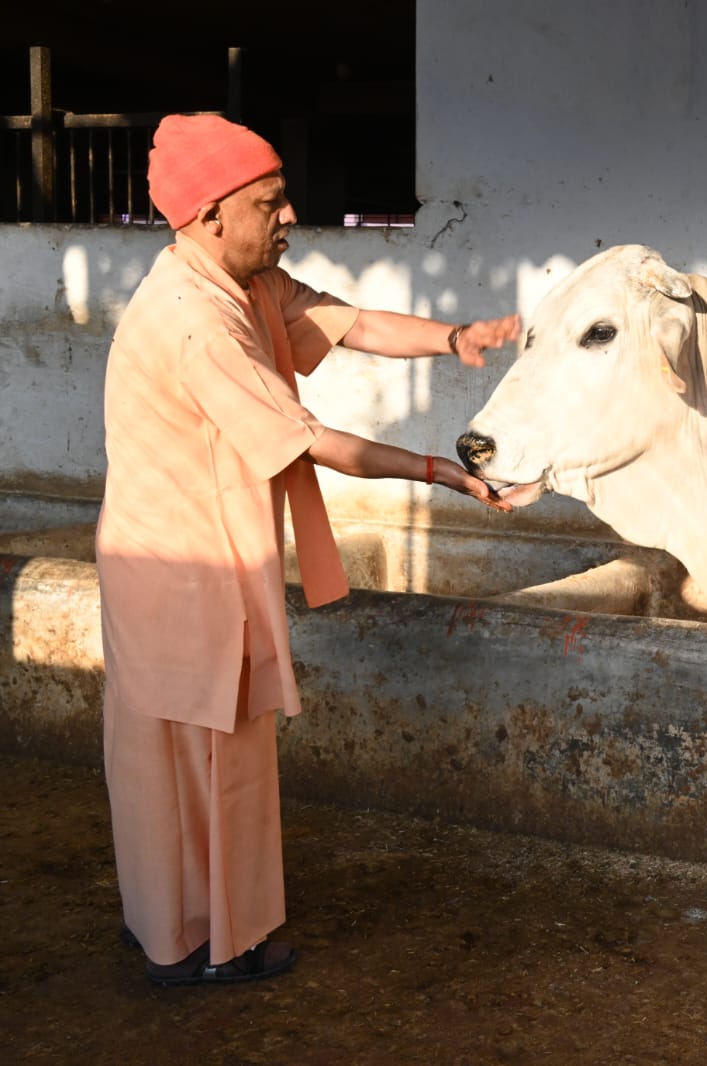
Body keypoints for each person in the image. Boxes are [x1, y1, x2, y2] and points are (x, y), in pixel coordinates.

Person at [95, 113, 519, 986]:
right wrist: (436, 470)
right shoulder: (194, 320)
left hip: (194, 559)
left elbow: (345, 321)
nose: (289, 216)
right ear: (212, 213)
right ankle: (198, 946)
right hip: (180, 570)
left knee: (197, 756)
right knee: (192, 760)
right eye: (271, 202)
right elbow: (311, 438)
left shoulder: (238, 282)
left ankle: (190, 930)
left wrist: (455, 339)